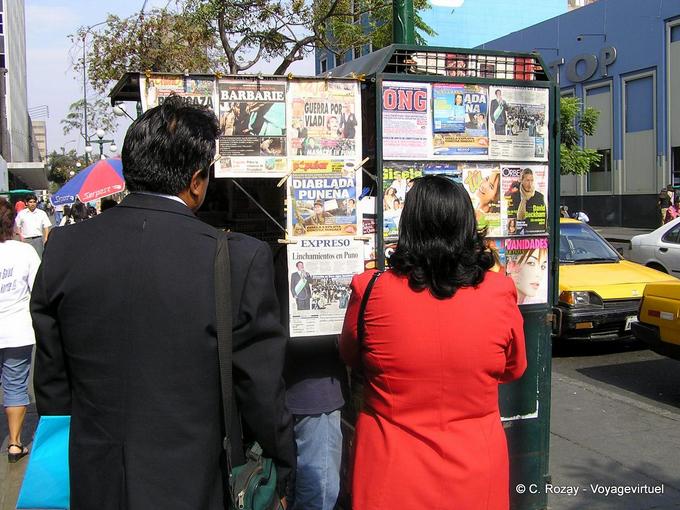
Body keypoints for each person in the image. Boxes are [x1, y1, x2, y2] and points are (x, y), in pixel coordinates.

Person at [31, 96, 295, 509]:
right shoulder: (237, 259)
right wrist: (282, 473)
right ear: (196, 180)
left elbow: (52, 389)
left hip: (96, 483)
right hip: (196, 486)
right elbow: (262, 393)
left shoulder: (63, 250)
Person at [340, 175, 527, 510]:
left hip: (389, 469)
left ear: (408, 225)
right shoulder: (500, 292)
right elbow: (514, 368)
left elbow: (352, 354)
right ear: (468, 225)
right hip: (475, 468)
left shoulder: (369, 289)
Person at [0, 198, 41, 464]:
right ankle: (15, 444)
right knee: (15, 385)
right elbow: (39, 289)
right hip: (17, 329)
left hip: (15, 328)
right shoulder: (24, 252)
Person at [507, 168, 546, 233]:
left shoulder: (539, 196)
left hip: (533, 234)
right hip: (517, 233)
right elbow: (510, 215)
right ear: (522, 180)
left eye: (532, 180)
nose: (530, 184)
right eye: (527, 180)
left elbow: (542, 218)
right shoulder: (513, 196)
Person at [14, 193, 51, 258]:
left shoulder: (41, 213)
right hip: (26, 240)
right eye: (30, 202)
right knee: (26, 258)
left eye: (34, 202)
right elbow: (18, 226)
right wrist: (21, 237)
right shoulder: (22, 213)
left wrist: (46, 237)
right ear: (27, 203)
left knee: (39, 258)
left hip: (38, 239)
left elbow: (46, 226)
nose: (32, 204)